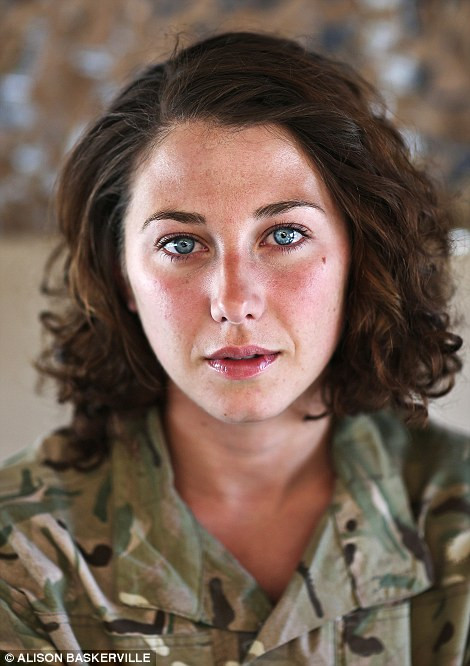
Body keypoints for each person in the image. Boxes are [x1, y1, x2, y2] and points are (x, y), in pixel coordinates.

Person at [0, 31, 468, 664]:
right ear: (122, 276)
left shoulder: (457, 516)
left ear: (359, 256)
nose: (234, 300)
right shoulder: (22, 550)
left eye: (284, 235)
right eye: (180, 244)